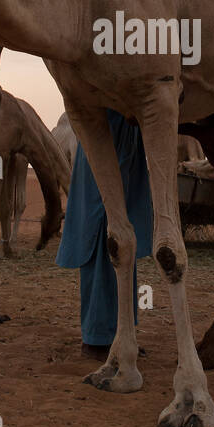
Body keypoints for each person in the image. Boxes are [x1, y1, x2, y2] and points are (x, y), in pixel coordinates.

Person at [55, 109, 153, 358]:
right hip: (103, 135)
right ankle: (96, 338)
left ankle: (122, 333)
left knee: (124, 241)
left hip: (127, 136)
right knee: (102, 236)